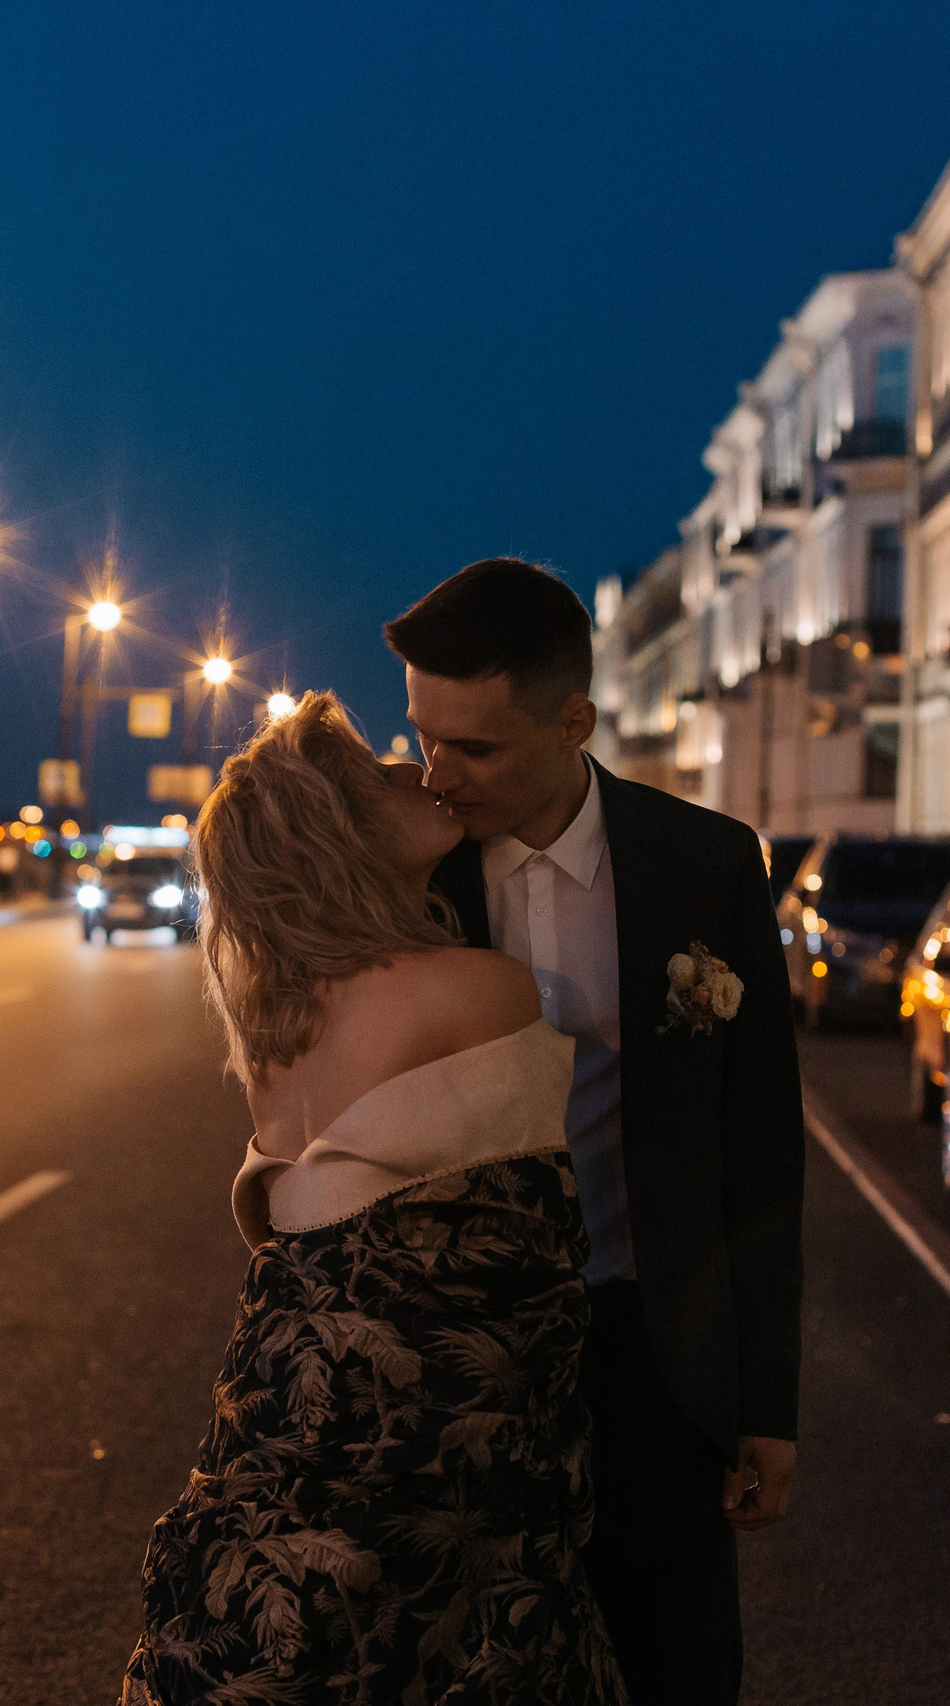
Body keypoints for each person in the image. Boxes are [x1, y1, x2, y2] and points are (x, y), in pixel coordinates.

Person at [119, 692, 625, 1706]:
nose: (419, 772)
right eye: (383, 771)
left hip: (280, 1408)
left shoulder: (275, 1031)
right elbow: (529, 1251)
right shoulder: (478, 990)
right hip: (416, 1443)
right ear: (336, 829)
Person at [384, 558, 803, 1706]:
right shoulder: (401, 875)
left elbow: (759, 1145)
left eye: (472, 747)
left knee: (672, 1659)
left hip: (646, 1336)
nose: (435, 773)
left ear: (574, 720)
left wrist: (767, 1405)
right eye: (421, 735)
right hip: (455, 1351)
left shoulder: (704, 864)